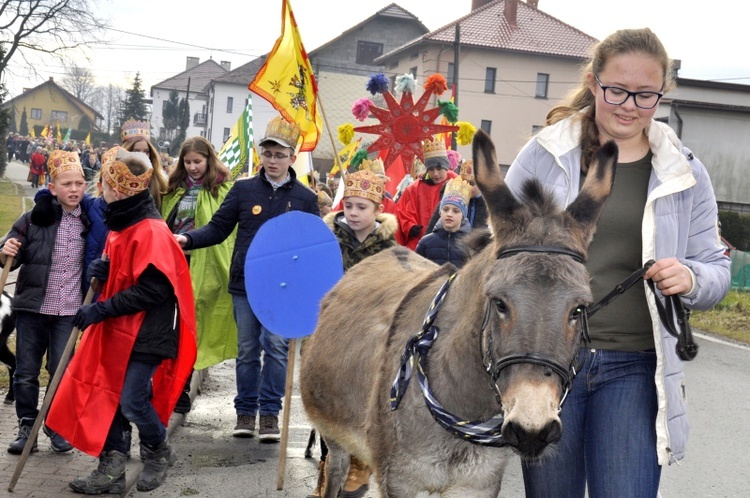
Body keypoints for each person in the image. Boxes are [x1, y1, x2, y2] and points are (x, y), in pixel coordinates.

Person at [503, 28, 731, 497]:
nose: (629, 104)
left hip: (635, 364)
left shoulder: (684, 172)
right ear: (592, 82)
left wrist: (689, 277)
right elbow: (499, 256)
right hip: (545, 362)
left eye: (645, 94)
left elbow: (716, 268)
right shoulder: (543, 156)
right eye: (616, 90)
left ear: (662, 94)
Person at [46, 147, 197, 494]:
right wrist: (107, 270)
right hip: (120, 328)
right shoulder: (122, 223)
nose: (101, 193)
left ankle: (158, 450)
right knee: (105, 394)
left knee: (130, 398)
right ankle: (111, 468)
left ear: (118, 190)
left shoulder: (151, 230)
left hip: (150, 329)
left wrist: (100, 309)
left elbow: (152, 290)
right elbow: (129, 269)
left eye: (104, 187)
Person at [174, 115, 319, 441]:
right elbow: (218, 228)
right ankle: (245, 412)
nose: (273, 160)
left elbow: (312, 247)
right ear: (260, 155)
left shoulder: (306, 199)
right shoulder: (243, 190)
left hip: (283, 289)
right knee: (248, 350)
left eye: (280, 155)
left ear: (292, 158)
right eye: (268, 154)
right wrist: (189, 239)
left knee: (278, 349)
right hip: (245, 284)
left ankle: (269, 414)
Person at [310, 168, 397, 498]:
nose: (354, 213)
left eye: (362, 207)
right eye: (349, 206)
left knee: (363, 402)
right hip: (330, 335)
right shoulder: (327, 238)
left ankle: (360, 465)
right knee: (327, 403)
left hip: (370, 339)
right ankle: (329, 471)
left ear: (377, 210)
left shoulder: (389, 247)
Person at [0, 150, 89, 455]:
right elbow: (10, 251)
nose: (74, 189)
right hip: (33, 308)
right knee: (26, 370)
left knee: (60, 370)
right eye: (67, 184)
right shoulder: (34, 218)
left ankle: (55, 422)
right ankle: (27, 425)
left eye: (79, 182)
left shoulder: (90, 220)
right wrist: (6, 247)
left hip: (69, 310)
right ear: (52, 188)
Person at [162, 136, 237, 413]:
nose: (193, 167)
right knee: (167, 326)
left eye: (198, 161)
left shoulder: (223, 190)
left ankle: (182, 385)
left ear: (209, 160)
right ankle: (166, 383)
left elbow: (225, 231)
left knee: (191, 328)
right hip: (172, 264)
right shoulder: (172, 189)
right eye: (188, 162)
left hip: (204, 265)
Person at [395, 139, 457, 249]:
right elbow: (402, 211)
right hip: (420, 242)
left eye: (439, 168)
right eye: (431, 169)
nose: (435, 174)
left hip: (449, 242)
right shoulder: (414, 188)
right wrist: (410, 227)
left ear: (446, 166)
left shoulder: (456, 183)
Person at [415, 177, 472, 268]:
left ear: (463, 215)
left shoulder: (472, 245)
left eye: (456, 211)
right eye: (445, 209)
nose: (449, 214)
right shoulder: (425, 243)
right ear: (440, 212)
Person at [425, 160, 488, 233]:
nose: (467, 186)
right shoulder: (449, 200)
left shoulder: (488, 206)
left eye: (472, 184)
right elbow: (431, 229)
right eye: (464, 182)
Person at [120, 119, 168, 210]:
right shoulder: (114, 176)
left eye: (146, 152)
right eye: (136, 151)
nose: (143, 155)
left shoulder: (160, 181)